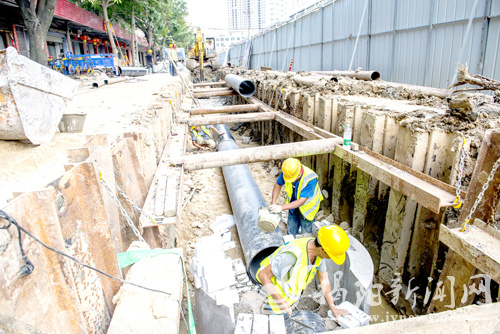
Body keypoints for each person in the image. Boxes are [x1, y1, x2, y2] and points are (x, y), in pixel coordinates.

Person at [257, 225, 350, 319]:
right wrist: (280, 302)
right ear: (322, 249)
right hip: (274, 302)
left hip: (288, 301)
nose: (331, 258)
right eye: (331, 255)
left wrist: (333, 307)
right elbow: (263, 275)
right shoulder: (291, 256)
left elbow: (324, 279)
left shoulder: (318, 255)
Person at [269, 158, 323, 236]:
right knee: (291, 231)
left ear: (299, 173)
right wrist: (273, 202)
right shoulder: (288, 172)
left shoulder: (310, 179)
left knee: (306, 234)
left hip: (307, 209)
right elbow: (278, 184)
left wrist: (281, 207)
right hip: (293, 205)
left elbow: (301, 201)